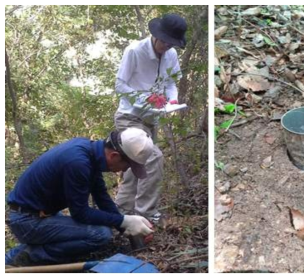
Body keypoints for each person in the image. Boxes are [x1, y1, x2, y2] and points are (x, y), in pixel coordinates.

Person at [5, 128, 155, 266]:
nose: (125, 170)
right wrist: (123, 221)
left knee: (101, 229)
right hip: (27, 221)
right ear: (114, 156)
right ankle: (30, 255)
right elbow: (80, 213)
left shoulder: (90, 152)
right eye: (127, 166)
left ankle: (27, 252)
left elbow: (101, 196)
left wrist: (124, 226)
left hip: (39, 214)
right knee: (100, 234)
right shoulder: (78, 162)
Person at [114, 13, 187, 223]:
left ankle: (122, 211)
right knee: (153, 157)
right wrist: (145, 97)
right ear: (155, 35)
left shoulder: (171, 54)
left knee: (134, 163)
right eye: (164, 40)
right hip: (130, 116)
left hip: (151, 119)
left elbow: (172, 83)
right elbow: (120, 85)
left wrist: (172, 101)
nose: (166, 46)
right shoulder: (135, 51)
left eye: (171, 43)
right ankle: (145, 213)